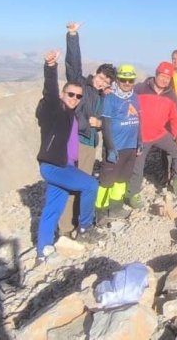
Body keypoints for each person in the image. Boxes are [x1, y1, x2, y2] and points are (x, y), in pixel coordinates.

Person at [35, 50, 105, 264]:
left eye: (78, 96)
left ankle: (42, 250)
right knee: (91, 185)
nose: (75, 99)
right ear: (63, 95)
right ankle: (85, 227)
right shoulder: (54, 108)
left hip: (63, 166)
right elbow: (50, 90)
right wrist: (50, 67)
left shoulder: (71, 114)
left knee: (52, 208)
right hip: (55, 166)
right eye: (71, 95)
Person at [59, 22, 116, 237]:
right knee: (75, 184)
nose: (102, 82)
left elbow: (101, 120)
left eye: (106, 81)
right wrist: (73, 35)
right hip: (77, 141)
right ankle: (66, 229)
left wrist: (99, 123)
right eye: (101, 78)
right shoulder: (81, 85)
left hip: (90, 145)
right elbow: (73, 64)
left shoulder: (102, 96)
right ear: (95, 74)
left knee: (82, 184)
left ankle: (74, 223)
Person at [127, 62, 177, 210]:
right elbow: (126, 99)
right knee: (137, 166)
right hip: (140, 136)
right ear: (156, 74)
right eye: (162, 76)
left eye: (168, 78)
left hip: (160, 133)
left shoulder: (171, 95)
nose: (164, 80)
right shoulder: (140, 88)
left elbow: (176, 117)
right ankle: (133, 194)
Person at [95, 64, 142, 219]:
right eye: (123, 80)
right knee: (107, 181)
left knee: (122, 180)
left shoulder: (135, 97)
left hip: (130, 147)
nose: (127, 83)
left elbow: (138, 119)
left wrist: (139, 141)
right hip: (115, 146)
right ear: (118, 79)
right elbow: (106, 124)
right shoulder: (111, 98)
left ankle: (115, 207)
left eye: (130, 80)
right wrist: (110, 147)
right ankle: (100, 211)